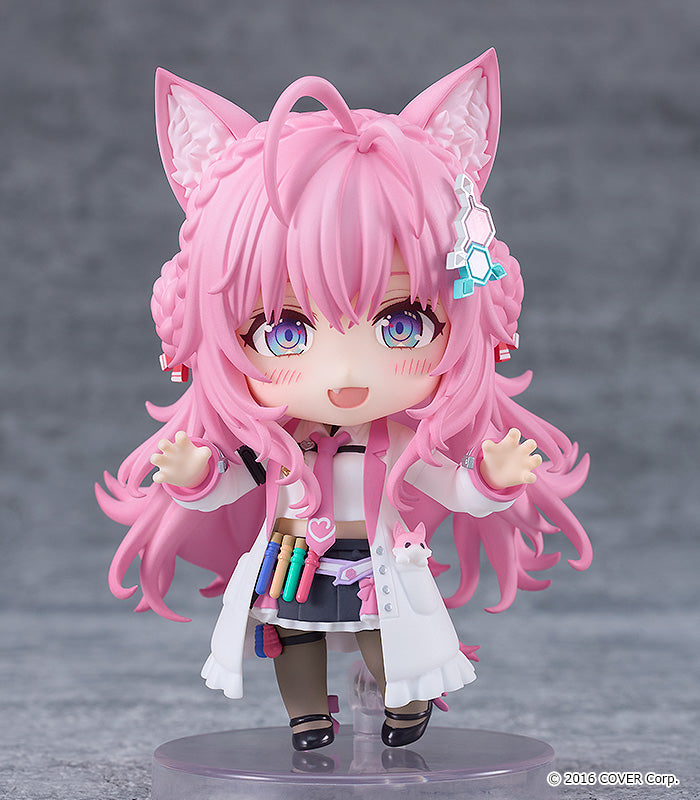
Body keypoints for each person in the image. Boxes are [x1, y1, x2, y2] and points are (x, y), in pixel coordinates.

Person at [97, 49, 591, 751]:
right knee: (289, 636)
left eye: (402, 325)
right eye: (285, 332)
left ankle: (404, 702)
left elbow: (447, 486)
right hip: (291, 555)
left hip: (376, 560)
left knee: (383, 631)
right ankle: (307, 716)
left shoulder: (398, 444)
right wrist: (197, 477)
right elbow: (235, 481)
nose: (346, 374)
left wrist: (490, 480)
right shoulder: (281, 444)